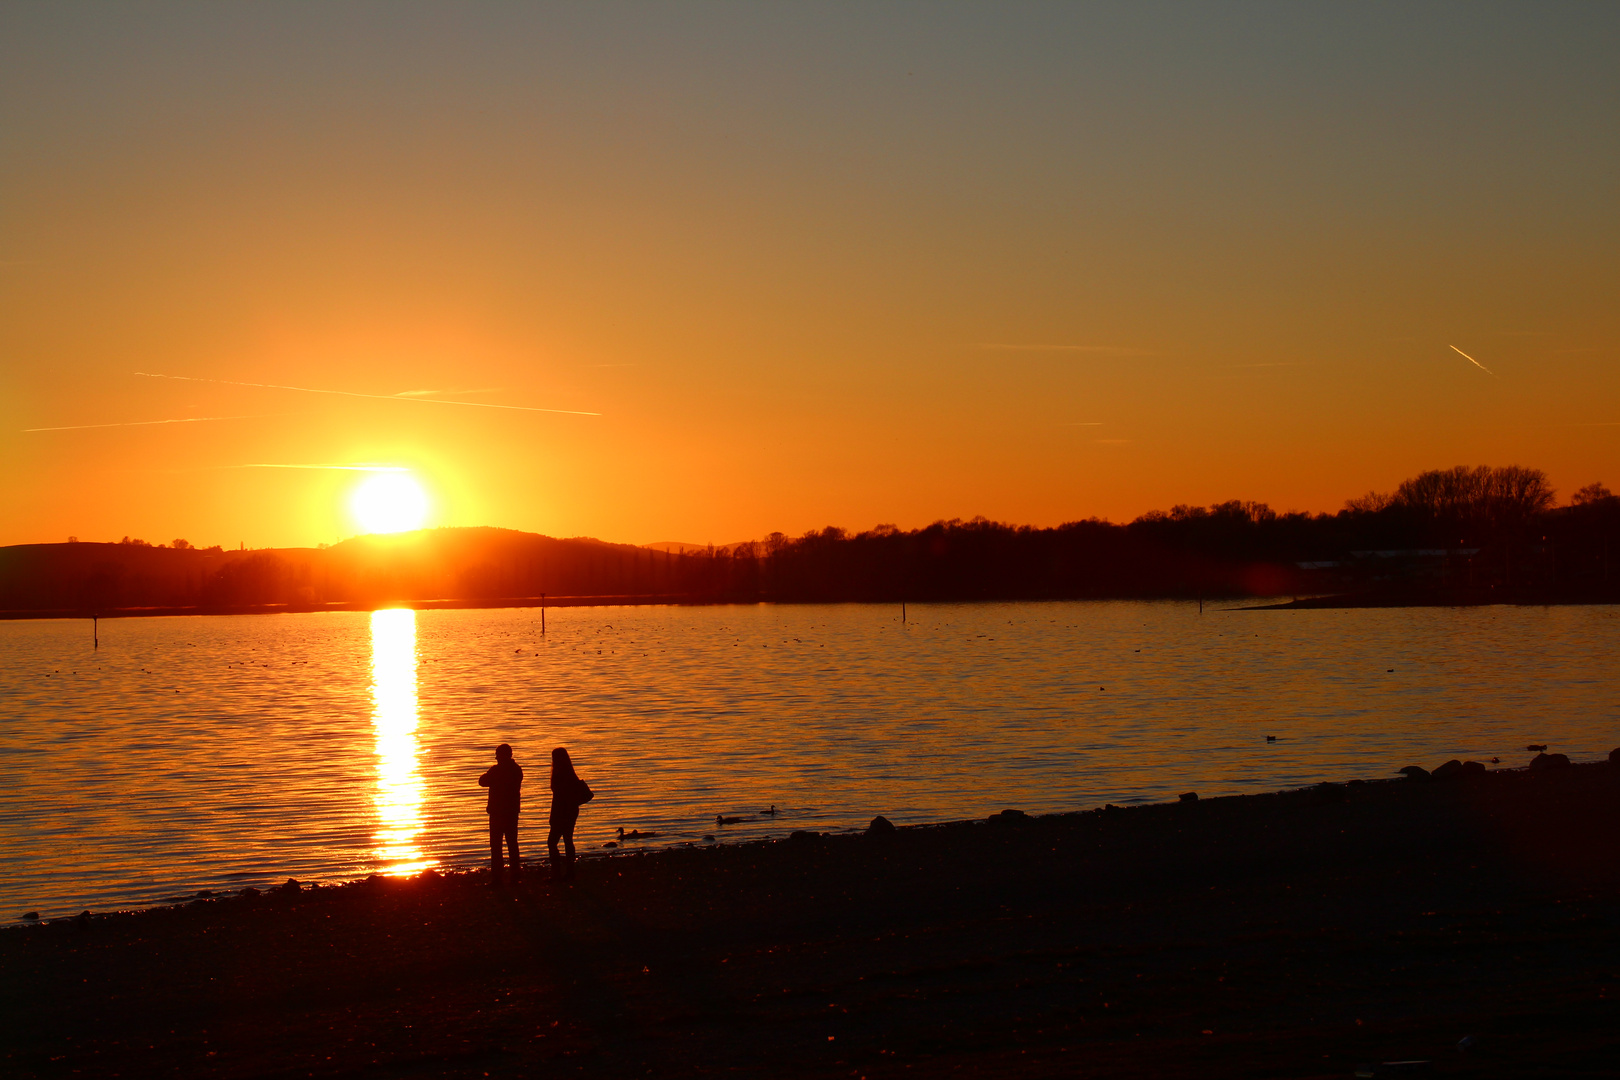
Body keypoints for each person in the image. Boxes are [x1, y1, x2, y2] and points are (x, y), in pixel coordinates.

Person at [478, 743, 523, 886]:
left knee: (496, 846)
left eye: (497, 755)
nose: (496, 758)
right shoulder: (516, 770)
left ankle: (498, 877)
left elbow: (482, 781)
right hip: (511, 812)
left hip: (498, 812)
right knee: (512, 844)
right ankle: (515, 875)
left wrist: (491, 772)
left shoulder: (496, 770)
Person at [548, 746, 593, 880]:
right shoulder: (569, 774)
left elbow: (560, 796)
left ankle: (558, 873)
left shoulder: (561, 775)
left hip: (562, 811)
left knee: (552, 842)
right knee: (567, 839)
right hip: (570, 811)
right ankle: (569, 871)